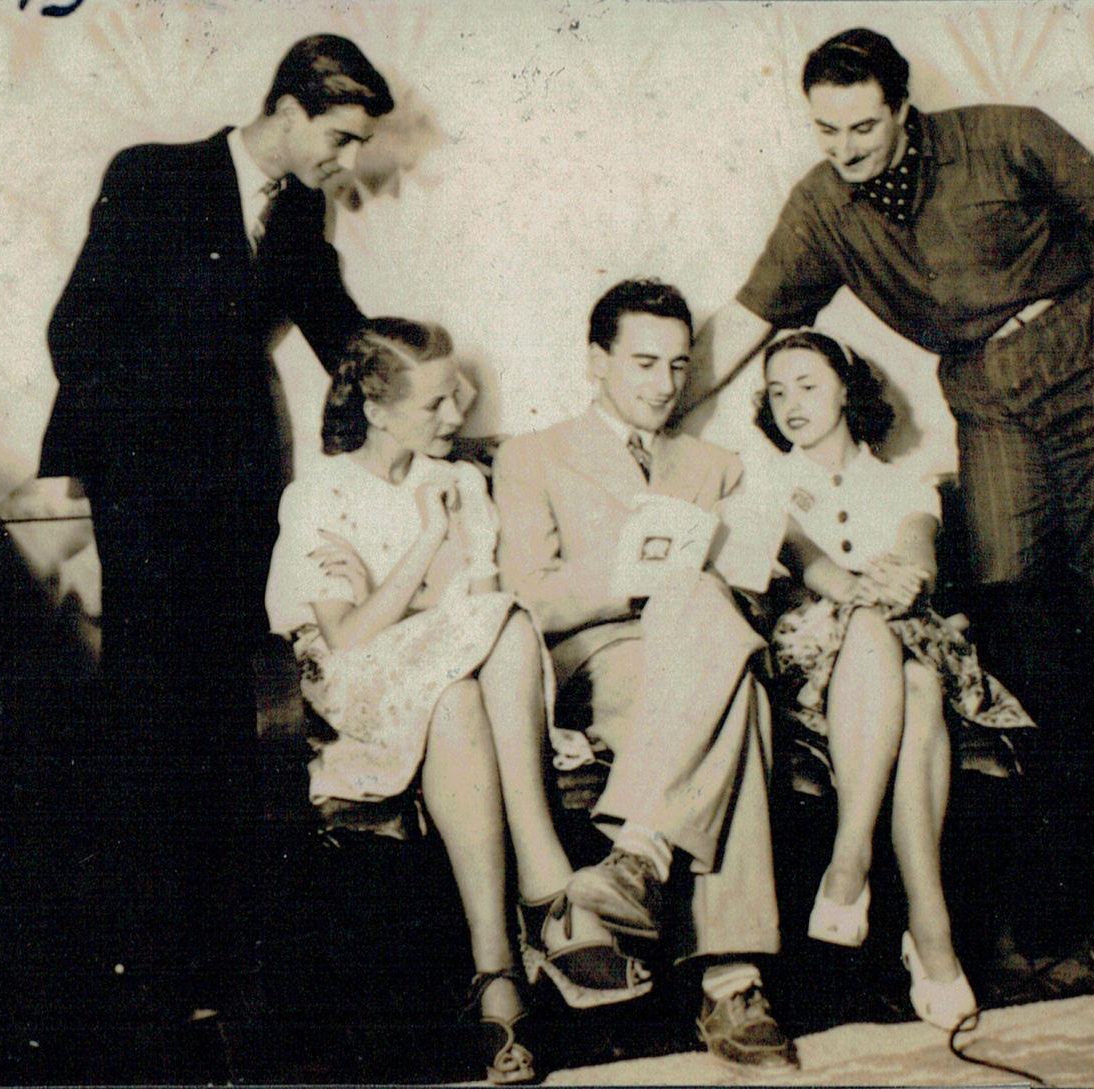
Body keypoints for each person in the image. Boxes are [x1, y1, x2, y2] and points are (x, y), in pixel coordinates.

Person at [690, 27, 1094, 936]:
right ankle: (1058, 864)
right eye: (826, 130)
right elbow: (747, 315)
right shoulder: (822, 205)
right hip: (984, 386)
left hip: (1084, 353)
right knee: (1009, 589)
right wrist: (661, 398)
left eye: (863, 127)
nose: (845, 148)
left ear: (903, 108)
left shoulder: (1006, 133)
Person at [41, 35, 393, 1021]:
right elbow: (76, 332)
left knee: (228, 714)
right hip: (146, 492)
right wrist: (154, 459)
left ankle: (217, 961)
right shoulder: (153, 175)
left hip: (240, 494)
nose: (347, 162)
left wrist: (410, 395)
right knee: (155, 712)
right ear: (285, 111)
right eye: (338, 137)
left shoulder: (300, 208)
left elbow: (335, 326)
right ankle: (151, 965)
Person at [265, 317, 651, 1085]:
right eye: (435, 403)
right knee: (491, 628)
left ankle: (495, 973)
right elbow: (349, 637)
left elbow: (475, 610)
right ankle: (548, 891)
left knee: (461, 688)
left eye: (457, 396)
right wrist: (426, 540)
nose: (456, 415)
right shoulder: (319, 494)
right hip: (355, 687)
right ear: (376, 410)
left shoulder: (464, 481)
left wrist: (408, 598)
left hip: (448, 678)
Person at [494, 280, 800, 1073]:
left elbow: (757, 574)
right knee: (736, 692)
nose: (665, 384)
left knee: (725, 656)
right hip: (603, 658)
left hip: (704, 645)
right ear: (596, 361)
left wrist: (735, 574)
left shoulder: (717, 464)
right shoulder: (532, 456)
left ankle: (640, 857)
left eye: (678, 364)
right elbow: (528, 597)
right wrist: (637, 581)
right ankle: (732, 984)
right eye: (644, 363)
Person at [754, 329, 1033, 1027]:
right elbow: (799, 551)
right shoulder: (762, 482)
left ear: (847, 389)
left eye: (808, 385)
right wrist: (860, 589)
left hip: (909, 639)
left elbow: (917, 550)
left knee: (911, 673)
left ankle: (852, 874)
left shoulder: (903, 481)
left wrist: (905, 579)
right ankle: (930, 935)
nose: (792, 403)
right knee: (896, 661)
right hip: (814, 658)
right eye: (778, 391)